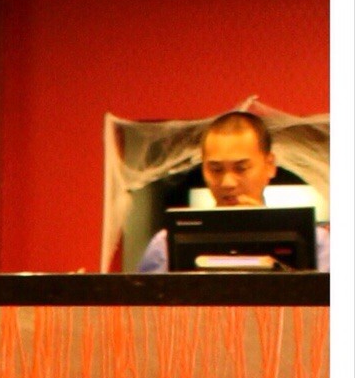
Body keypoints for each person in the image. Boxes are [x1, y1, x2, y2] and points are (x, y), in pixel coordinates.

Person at [137, 109, 329, 271]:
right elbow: (145, 313)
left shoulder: (317, 244)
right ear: (203, 168)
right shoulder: (165, 246)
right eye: (216, 169)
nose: (227, 182)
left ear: (269, 165)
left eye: (241, 168)